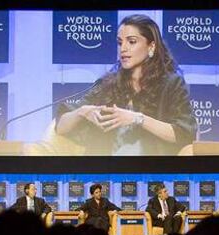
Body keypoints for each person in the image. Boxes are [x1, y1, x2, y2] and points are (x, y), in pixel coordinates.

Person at [56, 14, 196, 156]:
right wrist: (83, 111)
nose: (123, 48)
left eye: (132, 42)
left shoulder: (171, 84)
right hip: (107, 171)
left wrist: (137, 119)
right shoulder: (108, 84)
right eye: (120, 42)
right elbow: (60, 127)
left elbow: (184, 134)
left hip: (150, 171)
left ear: (151, 46)